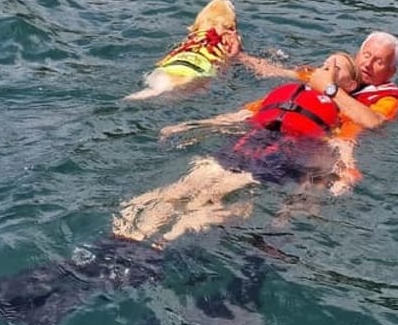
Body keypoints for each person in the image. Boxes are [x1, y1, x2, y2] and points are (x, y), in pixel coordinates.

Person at [113, 52, 367, 244]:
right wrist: (188, 126)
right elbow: (237, 117)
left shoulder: (343, 111)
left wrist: (345, 172)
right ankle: (129, 238)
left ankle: (163, 242)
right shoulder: (289, 92)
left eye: (337, 68)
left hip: (281, 152)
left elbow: (343, 143)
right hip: (248, 142)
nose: (327, 69)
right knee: (184, 187)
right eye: (325, 65)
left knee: (211, 194)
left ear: (351, 86)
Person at [238, 30, 398, 132]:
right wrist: (239, 55)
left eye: (379, 62)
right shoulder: (338, 70)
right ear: (357, 55)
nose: (368, 64)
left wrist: (329, 88)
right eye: (366, 55)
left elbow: (374, 122)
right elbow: (274, 71)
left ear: (391, 72)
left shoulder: (388, 99)